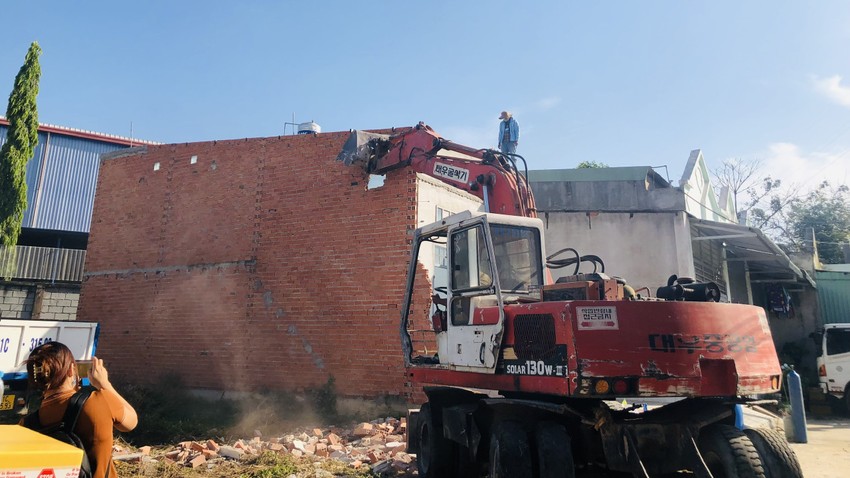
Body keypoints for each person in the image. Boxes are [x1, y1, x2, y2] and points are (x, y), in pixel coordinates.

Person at [21, 342, 138, 478]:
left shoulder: (25, 425)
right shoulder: (100, 401)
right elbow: (131, 421)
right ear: (71, 370)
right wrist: (105, 384)